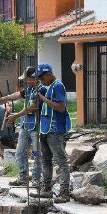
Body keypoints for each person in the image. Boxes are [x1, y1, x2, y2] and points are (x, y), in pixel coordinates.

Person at [35, 63, 72, 203]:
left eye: (42, 78)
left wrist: (43, 98)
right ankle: (46, 189)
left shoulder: (58, 86)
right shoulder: (47, 87)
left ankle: (64, 192)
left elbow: (61, 107)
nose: (41, 81)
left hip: (55, 130)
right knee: (46, 160)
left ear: (49, 74)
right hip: (45, 129)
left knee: (61, 161)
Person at [0, 66, 42, 187]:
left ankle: (36, 179)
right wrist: (6, 98)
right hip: (25, 125)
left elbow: (32, 107)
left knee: (36, 154)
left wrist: (16, 116)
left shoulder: (40, 90)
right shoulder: (29, 88)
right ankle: (23, 177)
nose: (25, 81)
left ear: (33, 78)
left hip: (36, 126)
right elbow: (19, 94)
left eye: (26, 78)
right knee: (20, 152)